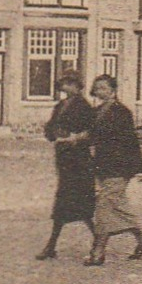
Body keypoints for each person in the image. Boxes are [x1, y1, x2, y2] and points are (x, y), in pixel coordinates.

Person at [84, 73, 142, 265]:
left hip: (120, 167)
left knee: (103, 206)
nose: (99, 91)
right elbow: (91, 136)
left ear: (113, 90)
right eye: (97, 88)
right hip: (102, 165)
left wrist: (140, 168)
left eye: (104, 88)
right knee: (118, 205)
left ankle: (98, 252)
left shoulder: (122, 112)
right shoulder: (96, 112)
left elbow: (131, 141)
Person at [37, 69, 95, 259]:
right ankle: (53, 245)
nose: (65, 87)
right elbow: (50, 128)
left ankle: (53, 246)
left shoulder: (84, 106)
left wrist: (74, 138)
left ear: (77, 86)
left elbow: (92, 132)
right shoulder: (60, 105)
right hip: (64, 158)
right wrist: (54, 133)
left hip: (79, 160)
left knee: (76, 202)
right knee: (69, 202)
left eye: (69, 83)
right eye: (63, 84)